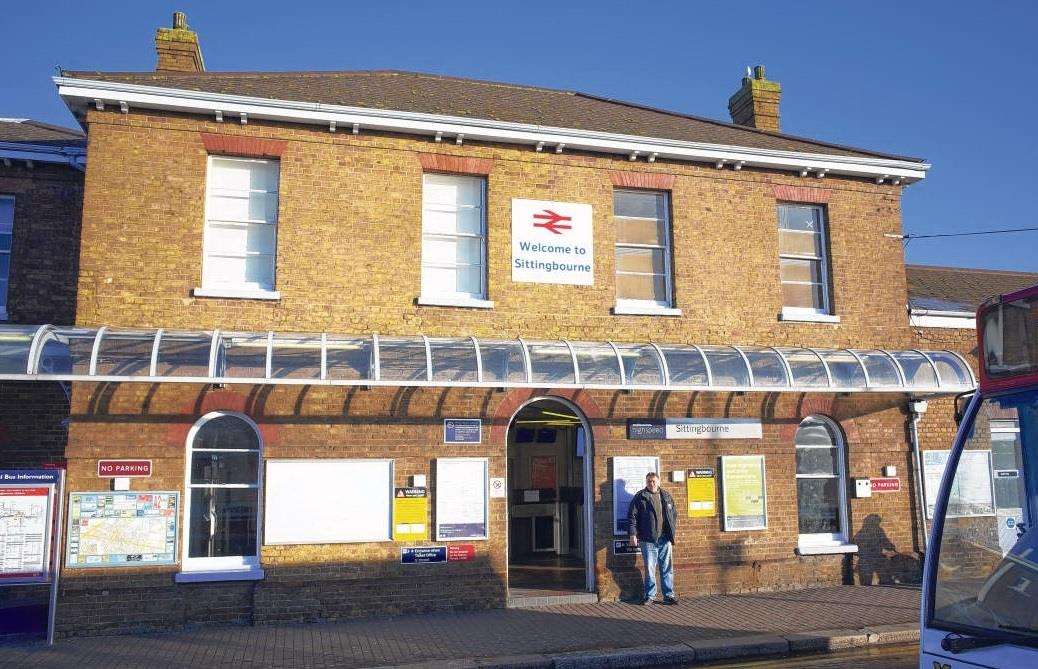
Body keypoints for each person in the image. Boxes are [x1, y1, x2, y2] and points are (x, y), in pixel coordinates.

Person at [627, 471, 678, 604]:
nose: (651, 483)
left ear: (659, 481)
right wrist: (633, 534)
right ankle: (650, 596)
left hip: (664, 539)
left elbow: (673, 515)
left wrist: (671, 532)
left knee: (667, 568)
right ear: (646, 482)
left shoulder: (666, 496)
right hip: (648, 540)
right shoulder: (640, 497)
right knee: (650, 569)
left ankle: (669, 595)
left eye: (654, 481)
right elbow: (632, 517)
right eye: (649, 481)